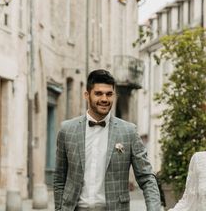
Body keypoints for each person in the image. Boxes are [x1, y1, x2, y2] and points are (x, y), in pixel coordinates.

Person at [53, 69, 161, 211]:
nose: (104, 99)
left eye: (109, 94)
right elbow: (59, 178)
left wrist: (154, 209)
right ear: (87, 95)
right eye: (98, 93)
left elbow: (147, 178)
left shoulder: (128, 132)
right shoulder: (67, 130)